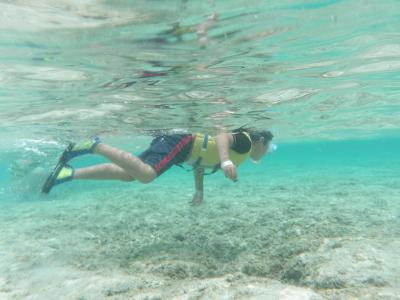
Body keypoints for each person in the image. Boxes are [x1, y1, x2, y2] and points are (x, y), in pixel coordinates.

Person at [42, 127, 274, 205]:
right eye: (269, 147)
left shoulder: (241, 156)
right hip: (183, 141)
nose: (266, 152)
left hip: (184, 150)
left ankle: (66, 173)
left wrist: (199, 191)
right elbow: (222, 135)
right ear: (261, 141)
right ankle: (94, 146)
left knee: (130, 174)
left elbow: (201, 163)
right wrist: (225, 160)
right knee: (146, 175)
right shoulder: (245, 141)